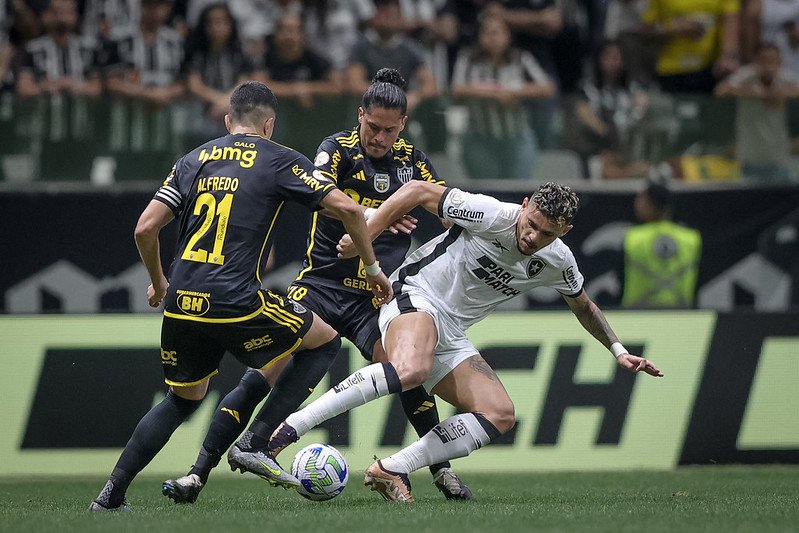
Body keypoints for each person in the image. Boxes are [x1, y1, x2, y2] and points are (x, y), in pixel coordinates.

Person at [161, 68, 473, 505]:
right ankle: (199, 472)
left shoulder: (415, 163)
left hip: (375, 297)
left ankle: (440, 469)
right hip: (321, 288)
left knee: (407, 373)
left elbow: (448, 212)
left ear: (402, 125)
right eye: (371, 126)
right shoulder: (336, 149)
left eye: (388, 130)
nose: (378, 137)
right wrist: (381, 215)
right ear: (359, 115)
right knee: (263, 373)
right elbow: (325, 199)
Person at [244, 180, 664, 502]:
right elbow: (416, 190)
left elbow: (585, 306)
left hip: (453, 332)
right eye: (531, 223)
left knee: (500, 414)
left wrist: (619, 350)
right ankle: (286, 430)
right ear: (524, 207)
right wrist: (366, 233)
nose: (532, 237)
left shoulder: (558, 261)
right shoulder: (492, 214)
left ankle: (391, 469)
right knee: (412, 370)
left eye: (546, 233)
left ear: (565, 231)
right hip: (412, 294)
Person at [88, 80, 392, 512]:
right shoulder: (279, 158)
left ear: (229, 121)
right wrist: (374, 269)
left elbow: (144, 227)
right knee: (324, 342)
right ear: (269, 124)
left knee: (181, 400)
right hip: (235, 299)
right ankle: (259, 440)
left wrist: (158, 282)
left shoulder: (194, 159)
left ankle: (110, 495)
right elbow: (347, 209)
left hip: (182, 302)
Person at [714, 42, 799, 184]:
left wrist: (778, 94)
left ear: (779, 62)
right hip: (748, 159)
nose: (768, 64)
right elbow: (721, 90)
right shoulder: (746, 75)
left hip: (778, 159)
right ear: (756, 61)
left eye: (772, 60)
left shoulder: (785, 78)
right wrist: (755, 94)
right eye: (764, 59)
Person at [621, 180, 702, 308]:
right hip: (683, 314)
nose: (637, 205)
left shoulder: (633, 237)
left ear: (651, 204)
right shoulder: (691, 238)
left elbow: (620, 277)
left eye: (642, 200)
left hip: (637, 315)